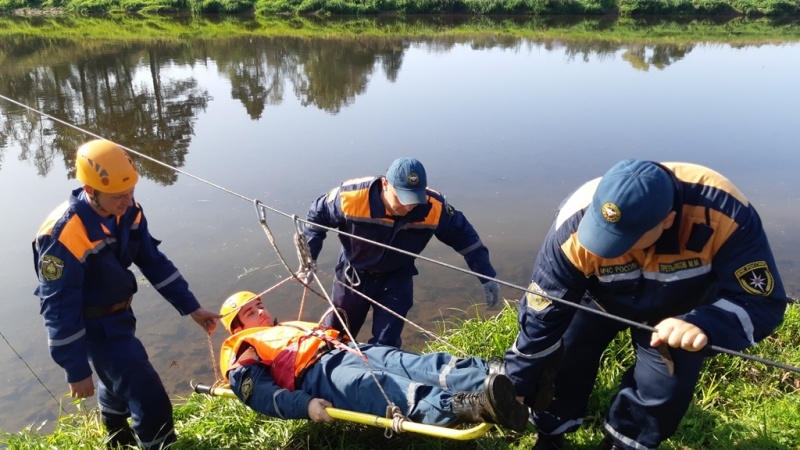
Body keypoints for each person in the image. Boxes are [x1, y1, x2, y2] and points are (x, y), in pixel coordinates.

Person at [501, 160, 788, 450]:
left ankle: (624, 443)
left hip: (679, 314)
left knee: (663, 391)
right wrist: (516, 382)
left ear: (667, 221)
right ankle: (551, 433)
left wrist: (702, 323)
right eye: (601, 233)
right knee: (564, 359)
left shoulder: (726, 214)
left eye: (623, 239)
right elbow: (542, 312)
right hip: (597, 300)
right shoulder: (574, 224)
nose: (605, 249)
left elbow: (763, 302)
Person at [32, 139, 221, 449]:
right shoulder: (65, 235)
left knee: (118, 378)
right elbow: (58, 308)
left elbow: (152, 260)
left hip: (118, 314)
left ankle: (117, 437)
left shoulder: (127, 211)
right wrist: (76, 369)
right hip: (92, 325)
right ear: (91, 191)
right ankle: (160, 444)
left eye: (131, 192)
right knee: (148, 393)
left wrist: (191, 307)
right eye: (119, 196)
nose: (127, 202)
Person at [218, 290, 528, 431]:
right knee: (381, 387)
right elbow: (261, 395)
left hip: (346, 350)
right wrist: (305, 406)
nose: (261, 311)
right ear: (238, 327)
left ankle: (500, 374)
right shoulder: (244, 351)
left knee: (413, 364)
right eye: (251, 312)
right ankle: (471, 405)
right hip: (317, 376)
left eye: (259, 304)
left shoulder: (284, 328)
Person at [302, 157, 500, 347]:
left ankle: (378, 377)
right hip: (354, 274)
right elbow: (316, 218)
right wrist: (309, 259)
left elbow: (466, 238)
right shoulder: (352, 197)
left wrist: (486, 275)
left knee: (387, 342)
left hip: (397, 277)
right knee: (336, 333)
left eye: (414, 199)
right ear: (386, 184)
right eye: (403, 198)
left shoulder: (433, 208)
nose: (409, 206)